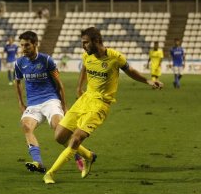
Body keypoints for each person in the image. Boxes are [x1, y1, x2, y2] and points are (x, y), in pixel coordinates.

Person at [43, 27, 163, 184]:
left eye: (86, 43)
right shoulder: (87, 55)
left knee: (76, 139)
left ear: (97, 41)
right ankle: (89, 156)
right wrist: (79, 86)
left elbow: (131, 71)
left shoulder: (115, 57)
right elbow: (85, 67)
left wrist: (148, 81)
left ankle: (50, 174)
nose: (83, 46)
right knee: (59, 136)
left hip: (100, 104)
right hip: (85, 99)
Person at [15, 31, 87, 174]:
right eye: (22, 45)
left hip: (50, 100)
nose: (24, 48)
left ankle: (80, 157)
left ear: (35, 44)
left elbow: (59, 84)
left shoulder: (47, 60)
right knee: (26, 126)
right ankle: (38, 163)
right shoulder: (19, 63)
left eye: (27, 45)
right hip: (33, 104)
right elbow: (18, 83)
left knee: (58, 129)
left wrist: (64, 105)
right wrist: (21, 103)